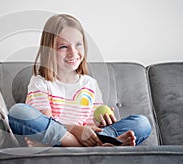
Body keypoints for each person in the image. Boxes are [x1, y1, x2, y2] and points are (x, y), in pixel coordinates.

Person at [8, 14, 151, 147]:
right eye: (63, 47)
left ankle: (96, 143)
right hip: (61, 135)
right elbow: (47, 122)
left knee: (142, 123)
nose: (73, 52)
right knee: (18, 112)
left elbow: (92, 126)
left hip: (80, 138)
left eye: (78, 44)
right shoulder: (40, 82)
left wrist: (102, 121)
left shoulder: (90, 84)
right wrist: (76, 130)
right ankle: (96, 146)